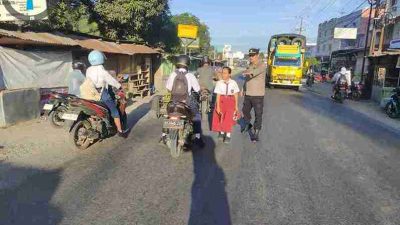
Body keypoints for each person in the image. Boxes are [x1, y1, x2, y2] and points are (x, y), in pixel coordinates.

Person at [164, 55, 205, 147]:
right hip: (186, 101)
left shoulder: (173, 74)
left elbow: (168, 88)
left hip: (173, 101)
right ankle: (198, 137)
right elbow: (197, 89)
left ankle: (163, 135)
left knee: (168, 114)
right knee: (197, 116)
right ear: (188, 64)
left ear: (178, 64)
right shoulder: (190, 75)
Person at [85, 50, 125, 135]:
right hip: (101, 95)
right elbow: (112, 81)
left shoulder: (88, 70)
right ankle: (120, 131)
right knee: (115, 112)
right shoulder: (102, 71)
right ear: (100, 58)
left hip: (89, 94)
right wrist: (119, 86)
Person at [241, 48, 267, 142]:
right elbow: (247, 79)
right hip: (248, 94)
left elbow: (253, 74)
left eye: (253, 55)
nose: (251, 57)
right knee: (245, 111)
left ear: (257, 55)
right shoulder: (249, 65)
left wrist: (247, 72)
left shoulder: (262, 65)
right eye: (250, 55)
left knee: (258, 114)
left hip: (258, 95)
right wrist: (243, 88)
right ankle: (249, 124)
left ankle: (256, 133)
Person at [211, 66, 240, 143]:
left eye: (225, 73)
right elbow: (218, 95)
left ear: (229, 74)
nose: (223, 75)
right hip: (221, 101)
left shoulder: (233, 83)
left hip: (230, 101)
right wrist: (217, 106)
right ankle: (222, 132)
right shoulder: (219, 83)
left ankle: (228, 135)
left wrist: (236, 106)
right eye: (222, 73)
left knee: (228, 118)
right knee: (221, 116)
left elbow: (236, 94)